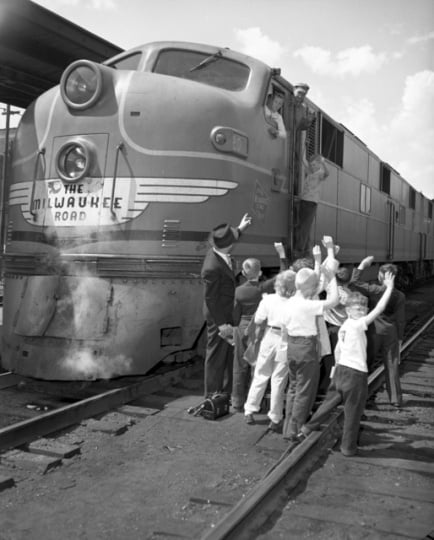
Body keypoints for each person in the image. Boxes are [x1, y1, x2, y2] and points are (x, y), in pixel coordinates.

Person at [298, 272, 396, 457]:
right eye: (358, 309)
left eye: (364, 309)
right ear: (348, 310)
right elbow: (380, 308)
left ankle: (307, 427)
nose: (362, 312)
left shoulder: (345, 325)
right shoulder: (359, 325)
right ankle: (348, 448)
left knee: (328, 403)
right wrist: (389, 287)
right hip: (355, 375)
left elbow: (338, 350)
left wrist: (335, 369)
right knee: (353, 413)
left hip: (341, 370)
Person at [281, 240, 339, 441]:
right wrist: (332, 279)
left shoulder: (288, 302)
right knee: (305, 391)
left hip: (292, 348)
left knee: (293, 388)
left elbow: (311, 283)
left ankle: (287, 425)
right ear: (309, 288)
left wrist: (317, 262)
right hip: (307, 348)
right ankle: (294, 430)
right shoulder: (307, 305)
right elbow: (333, 301)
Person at [201, 213, 252, 398]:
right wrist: (222, 324)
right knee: (215, 355)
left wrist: (241, 228)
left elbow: (230, 237)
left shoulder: (218, 251)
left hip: (226, 311)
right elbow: (210, 299)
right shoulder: (212, 267)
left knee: (229, 353)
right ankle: (211, 395)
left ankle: (228, 391)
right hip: (218, 316)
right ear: (229, 245)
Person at [231, 245, 288, 411]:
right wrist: (282, 255)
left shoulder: (238, 291)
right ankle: (255, 400)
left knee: (239, 365)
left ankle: (236, 401)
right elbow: (283, 275)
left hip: (241, 327)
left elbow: (235, 315)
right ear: (260, 273)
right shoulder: (264, 287)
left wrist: (236, 329)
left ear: (243, 273)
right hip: (260, 329)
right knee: (258, 365)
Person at [244, 270, 296, 430]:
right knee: (279, 379)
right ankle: (275, 417)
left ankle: (250, 410)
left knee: (261, 374)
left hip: (270, 336)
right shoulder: (296, 302)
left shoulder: (268, 300)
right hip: (286, 339)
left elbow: (259, 319)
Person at [350, 257, 405, 407]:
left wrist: (362, 265)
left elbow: (354, 282)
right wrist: (400, 338)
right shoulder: (400, 296)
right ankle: (395, 399)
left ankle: (359, 395)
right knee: (392, 364)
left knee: (364, 363)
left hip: (373, 331)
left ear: (381, 276)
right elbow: (400, 320)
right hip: (391, 332)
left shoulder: (375, 290)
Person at [295, 154, 329, 257]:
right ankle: (304, 250)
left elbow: (327, 173)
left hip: (311, 203)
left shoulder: (320, 174)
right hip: (304, 201)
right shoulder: (310, 173)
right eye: (311, 165)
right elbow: (303, 160)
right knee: (302, 226)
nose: (312, 166)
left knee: (304, 227)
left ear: (319, 165)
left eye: (315, 164)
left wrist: (323, 162)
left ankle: (300, 250)